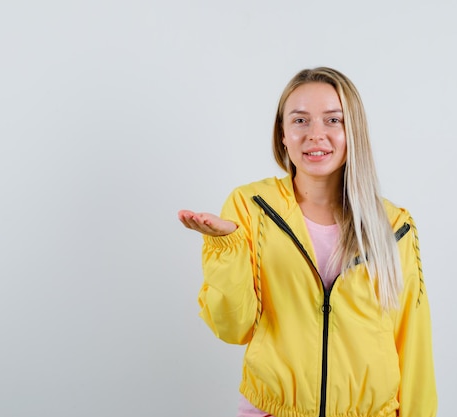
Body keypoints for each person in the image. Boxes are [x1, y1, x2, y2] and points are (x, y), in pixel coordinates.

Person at [178, 67, 437, 417]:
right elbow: (231, 327)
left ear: (353, 131)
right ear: (282, 134)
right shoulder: (250, 207)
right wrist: (229, 249)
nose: (316, 135)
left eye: (333, 120)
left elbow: (414, 344)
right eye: (300, 121)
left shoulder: (394, 226)